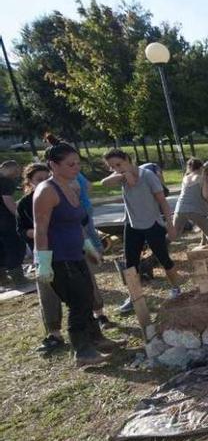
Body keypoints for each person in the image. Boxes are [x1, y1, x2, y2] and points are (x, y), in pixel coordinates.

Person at [33, 141, 120, 365]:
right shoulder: (46, 192)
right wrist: (43, 263)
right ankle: (81, 351)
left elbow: (78, 224)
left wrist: (89, 247)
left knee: (88, 296)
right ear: (53, 165)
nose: (76, 168)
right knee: (78, 303)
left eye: (78, 163)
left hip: (76, 254)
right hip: (59, 258)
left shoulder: (71, 187)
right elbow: (40, 230)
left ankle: (95, 339)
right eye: (70, 164)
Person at [101, 149, 183, 312]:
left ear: (127, 159)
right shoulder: (120, 176)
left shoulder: (147, 176)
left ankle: (177, 289)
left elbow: (163, 202)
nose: (116, 168)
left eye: (119, 164)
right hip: (132, 225)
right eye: (112, 167)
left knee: (164, 259)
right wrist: (121, 175)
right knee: (130, 265)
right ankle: (133, 296)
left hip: (152, 224)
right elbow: (104, 183)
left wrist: (170, 225)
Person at [172, 158, 208, 245]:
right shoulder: (202, 178)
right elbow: (206, 195)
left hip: (180, 208)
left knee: (174, 234)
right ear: (200, 167)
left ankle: (158, 248)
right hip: (195, 210)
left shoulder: (185, 178)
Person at [0, 160, 26, 287]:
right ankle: (18, 278)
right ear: (8, 168)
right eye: (16, 171)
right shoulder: (6, 181)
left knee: (2, 248)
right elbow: (8, 201)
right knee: (15, 246)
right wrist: (19, 216)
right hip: (6, 221)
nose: (17, 174)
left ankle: (2, 278)